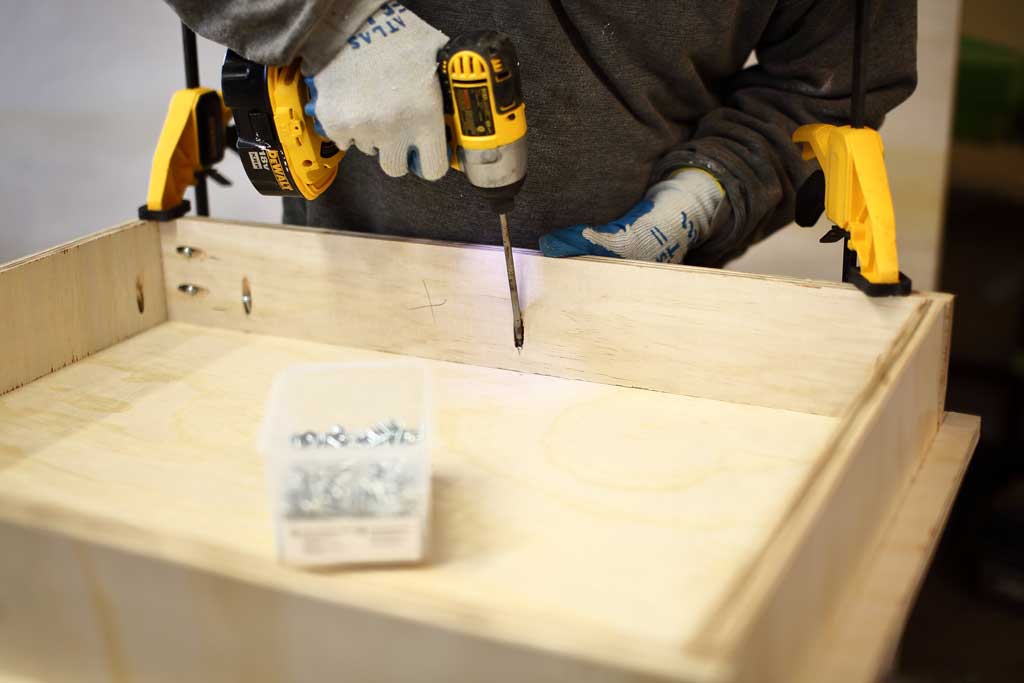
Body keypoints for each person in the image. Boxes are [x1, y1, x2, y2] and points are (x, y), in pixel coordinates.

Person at [165, 1, 916, 267]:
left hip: (633, 319)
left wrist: (709, 192)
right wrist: (332, 26)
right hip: (348, 274)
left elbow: (827, 83)